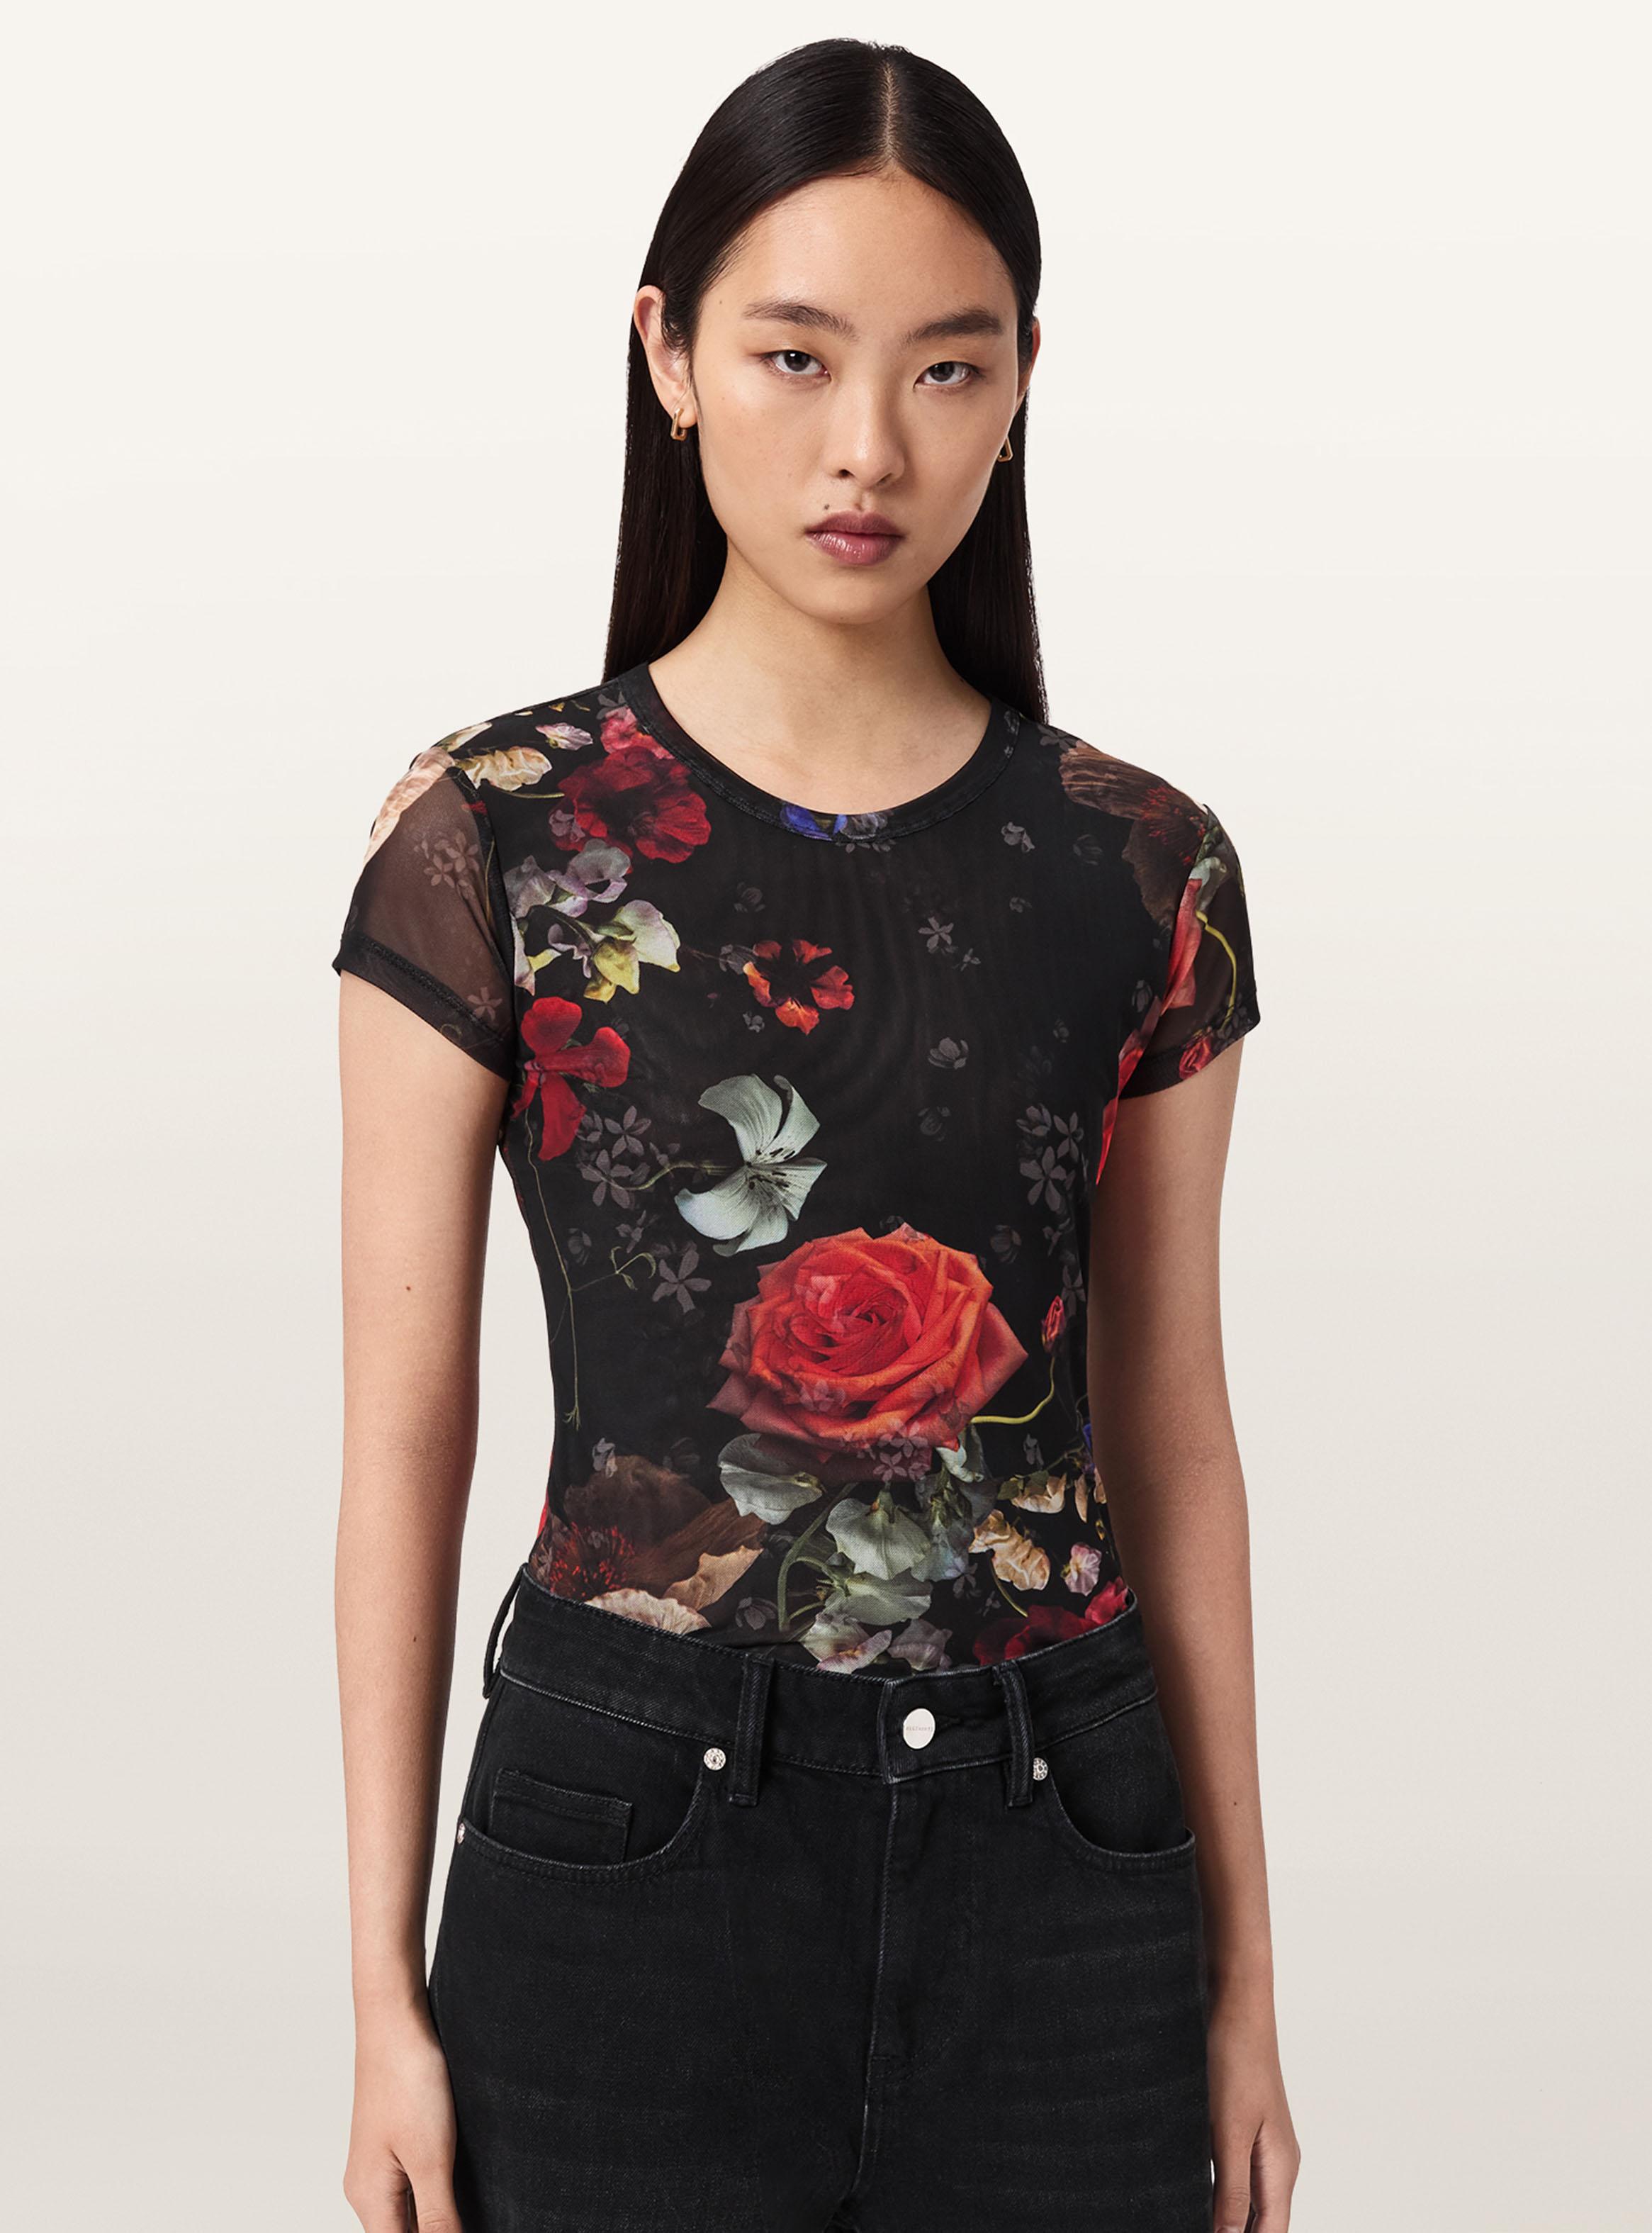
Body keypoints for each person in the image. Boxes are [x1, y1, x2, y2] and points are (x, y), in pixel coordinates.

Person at [333, 35, 1300, 2233]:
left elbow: (1170, 1435)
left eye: (948, 368)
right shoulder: (494, 840)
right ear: (667, 355)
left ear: (1022, 385)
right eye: (794, 355)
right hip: (619, 1855)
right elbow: (403, 1437)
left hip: (1068, 1865)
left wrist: (1245, 1979)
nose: (868, 444)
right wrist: (380, 1991)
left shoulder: (1140, 867)